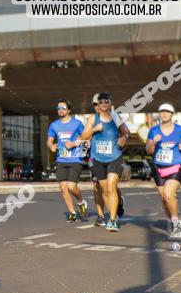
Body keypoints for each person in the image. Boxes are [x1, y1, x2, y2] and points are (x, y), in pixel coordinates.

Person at [80, 92, 129, 232]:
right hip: (98, 159)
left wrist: (124, 138)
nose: (103, 104)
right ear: (98, 105)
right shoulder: (92, 119)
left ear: (110, 103)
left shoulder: (116, 117)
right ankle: (115, 209)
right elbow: (83, 137)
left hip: (114, 157)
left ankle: (112, 220)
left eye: (106, 101)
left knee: (111, 187)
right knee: (104, 190)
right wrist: (94, 129)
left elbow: (125, 132)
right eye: (100, 102)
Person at [145, 103, 181, 236]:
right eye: (161, 111)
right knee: (164, 199)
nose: (164, 114)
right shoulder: (153, 130)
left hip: (175, 167)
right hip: (159, 168)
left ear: (172, 114)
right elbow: (148, 150)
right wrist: (153, 142)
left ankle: (176, 223)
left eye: (167, 111)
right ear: (159, 114)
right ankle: (171, 220)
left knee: (168, 194)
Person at [47, 99, 87, 222]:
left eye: (63, 108)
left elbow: (86, 137)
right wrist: (51, 146)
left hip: (75, 158)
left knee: (71, 186)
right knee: (63, 187)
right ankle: (72, 213)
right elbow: (49, 140)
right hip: (61, 159)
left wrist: (74, 143)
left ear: (69, 110)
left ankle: (80, 202)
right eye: (58, 108)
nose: (60, 110)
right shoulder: (54, 125)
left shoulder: (77, 123)